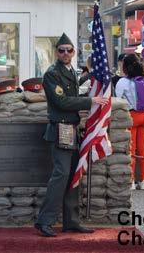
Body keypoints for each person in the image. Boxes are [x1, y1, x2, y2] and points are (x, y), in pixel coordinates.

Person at [34, 33, 108, 237]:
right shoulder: (52, 73)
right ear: (56, 52)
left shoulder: (70, 72)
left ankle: (72, 221)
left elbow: (72, 96)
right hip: (60, 129)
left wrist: (90, 81)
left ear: (74, 52)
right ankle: (44, 220)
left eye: (69, 50)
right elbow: (61, 102)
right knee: (61, 175)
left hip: (72, 129)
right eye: (61, 50)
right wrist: (89, 101)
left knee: (73, 175)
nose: (65, 53)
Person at [115, 54, 144, 191]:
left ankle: (131, 181)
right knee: (143, 148)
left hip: (132, 115)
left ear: (125, 67)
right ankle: (143, 181)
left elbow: (118, 100)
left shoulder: (123, 82)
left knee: (131, 149)